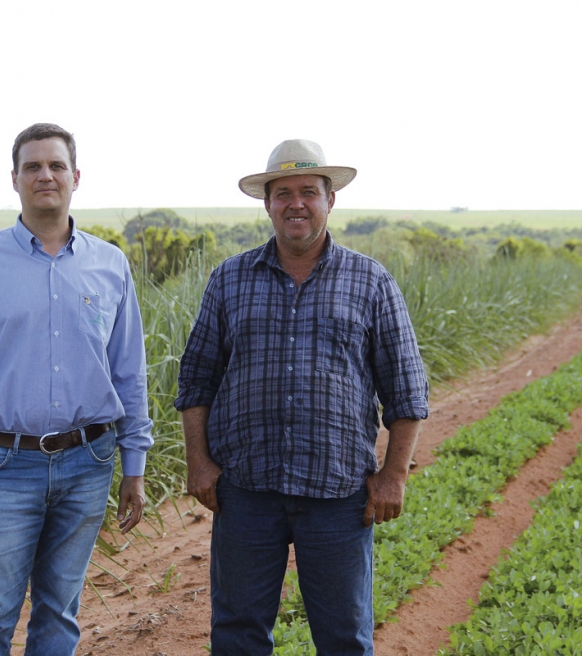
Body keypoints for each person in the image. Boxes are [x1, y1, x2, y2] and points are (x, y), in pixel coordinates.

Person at [175, 139, 429, 655]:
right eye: (283, 193)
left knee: (344, 640)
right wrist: (198, 462)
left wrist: (393, 476)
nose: (296, 203)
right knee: (238, 635)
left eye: (308, 192)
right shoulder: (230, 279)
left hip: (338, 495)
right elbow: (197, 378)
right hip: (246, 491)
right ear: (267, 204)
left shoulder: (370, 280)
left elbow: (406, 390)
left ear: (329, 200)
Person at [0, 123, 154, 655]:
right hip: (5, 468)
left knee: (58, 614)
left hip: (89, 463)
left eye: (55, 165)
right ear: (15, 179)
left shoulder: (110, 264)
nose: (45, 175)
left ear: (76, 177)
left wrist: (134, 467)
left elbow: (129, 375)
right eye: (32, 166)